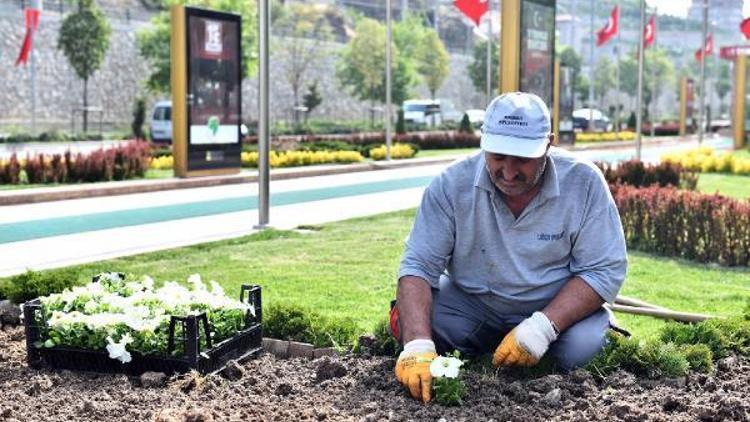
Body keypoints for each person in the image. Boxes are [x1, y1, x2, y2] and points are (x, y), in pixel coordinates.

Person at [393, 92, 628, 402]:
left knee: (583, 351)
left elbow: (604, 269)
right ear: (483, 143)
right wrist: (417, 345)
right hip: (475, 302)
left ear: (549, 143)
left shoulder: (583, 182)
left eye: (522, 159)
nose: (508, 171)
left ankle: (546, 336)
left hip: (552, 302)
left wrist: (542, 327)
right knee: (419, 324)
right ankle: (477, 341)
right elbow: (418, 267)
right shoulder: (451, 184)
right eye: (498, 157)